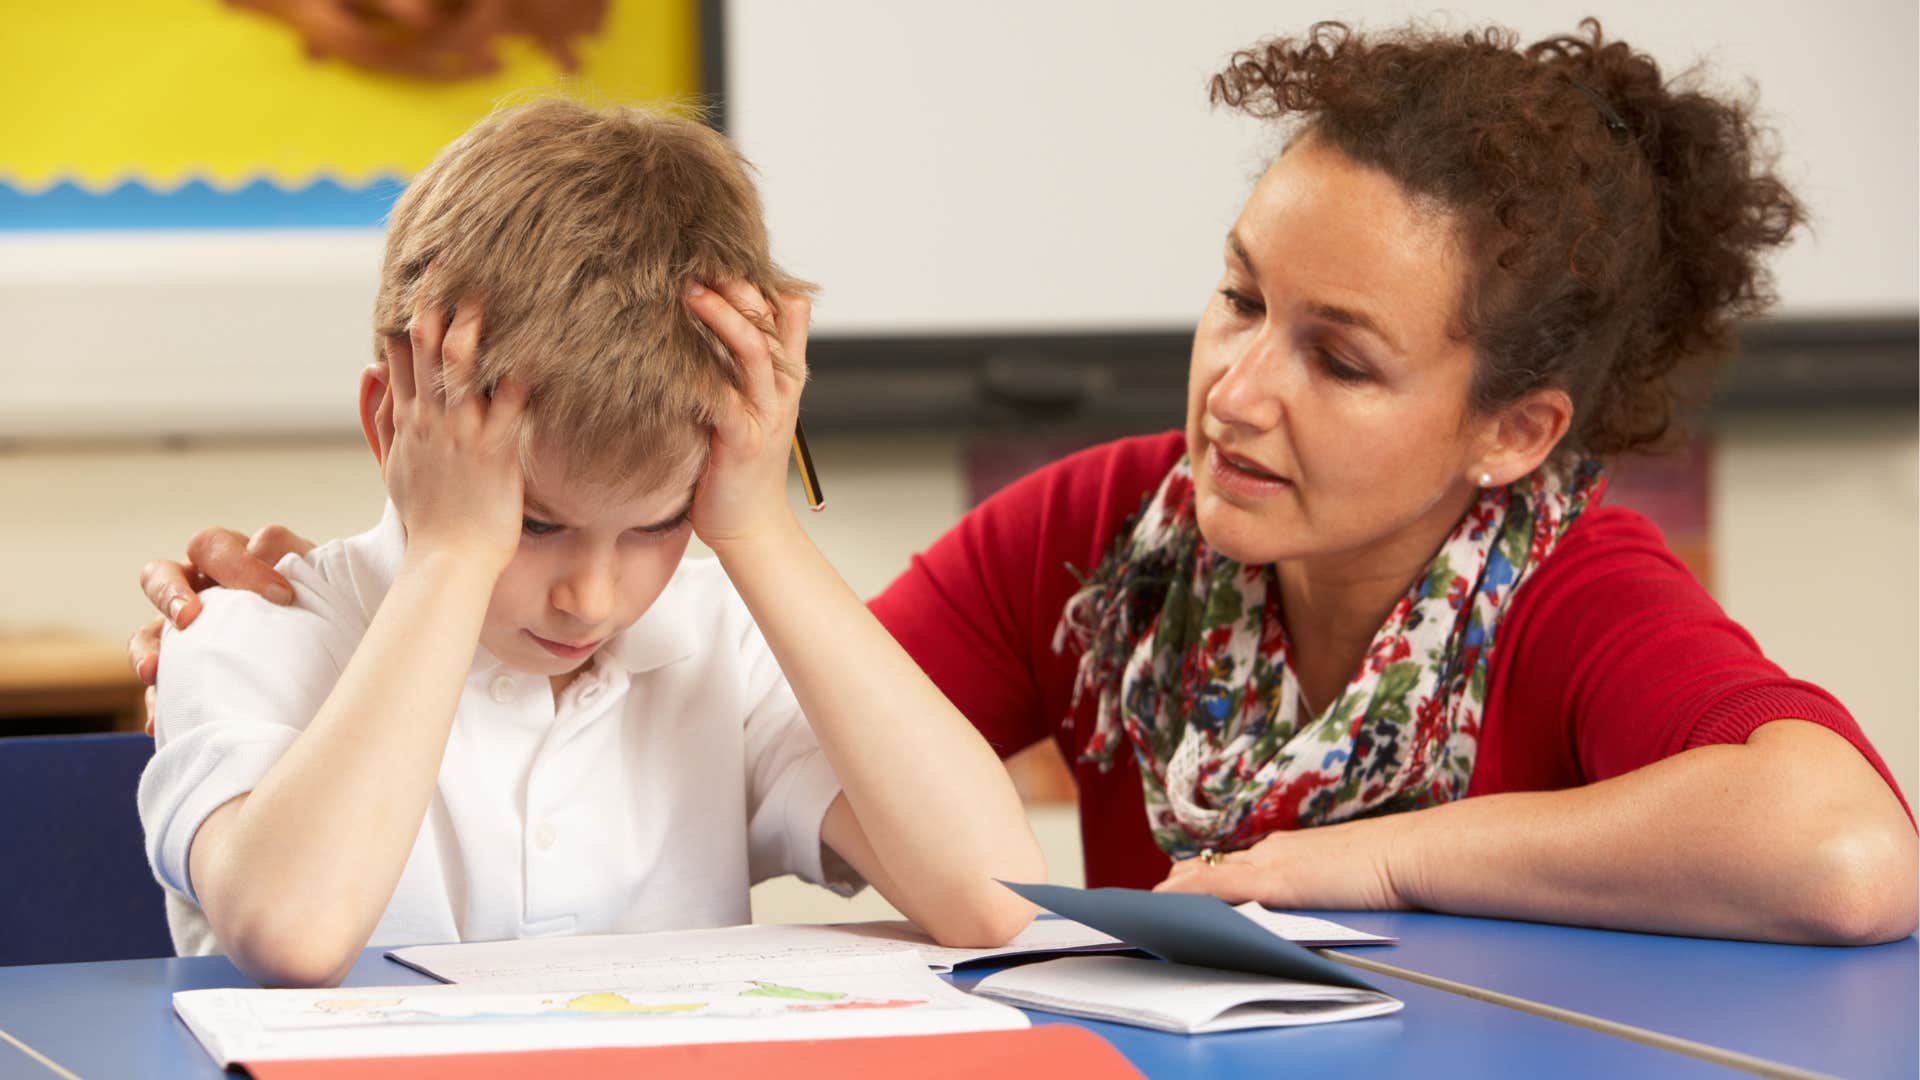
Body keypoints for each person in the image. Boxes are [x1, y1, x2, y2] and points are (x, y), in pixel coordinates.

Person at [133, 21, 1916, 946]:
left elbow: (1843, 846)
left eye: (1340, 357)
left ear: (1513, 430)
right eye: (1236, 301)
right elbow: (831, 724)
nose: (1237, 388)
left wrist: (1356, 867)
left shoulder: (1568, 587)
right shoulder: (1101, 538)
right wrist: (436, 573)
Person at [132, 99, 1041, 988]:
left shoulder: (721, 644)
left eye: (656, 525)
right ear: (394, 425)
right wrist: (453, 554)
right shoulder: (244, 630)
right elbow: (294, 934)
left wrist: (759, 528)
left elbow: (998, 902)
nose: (591, 598)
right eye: (533, 524)